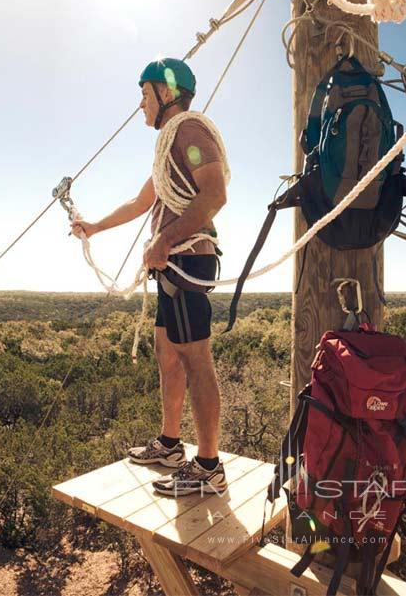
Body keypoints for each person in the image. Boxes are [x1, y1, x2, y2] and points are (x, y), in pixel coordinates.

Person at [71, 58, 229, 496]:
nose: (140, 104)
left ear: (167, 93)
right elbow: (143, 202)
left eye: (145, 94)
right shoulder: (169, 147)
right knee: (167, 352)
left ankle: (209, 466)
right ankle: (170, 444)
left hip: (185, 261)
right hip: (172, 263)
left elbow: (215, 193)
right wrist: (94, 227)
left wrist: (164, 242)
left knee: (196, 358)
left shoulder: (190, 133)